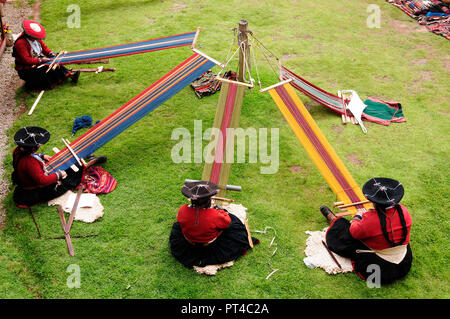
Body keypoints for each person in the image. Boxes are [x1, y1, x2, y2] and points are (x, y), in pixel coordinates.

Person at [320, 177, 413, 285]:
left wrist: (358, 216)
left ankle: (333, 219)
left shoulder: (371, 218)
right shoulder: (403, 210)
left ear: (374, 202)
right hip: (403, 263)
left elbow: (353, 231)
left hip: (380, 270)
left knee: (344, 231)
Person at [170, 181, 259, 268]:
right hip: (209, 245)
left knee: (179, 226)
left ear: (191, 200)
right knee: (234, 223)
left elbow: (181, 218)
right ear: (209, 201)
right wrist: (219, 210)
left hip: (189, 241)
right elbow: (226, 222)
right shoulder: (215, 215)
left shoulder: (182, 209)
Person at [11, 126, 105, 207]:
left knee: (69, 167)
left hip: (28, 181)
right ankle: (88, 164)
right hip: (36, 191)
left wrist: (42, 156)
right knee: (74, 174)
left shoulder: (17, 150)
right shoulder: (30, 162)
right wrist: (58, 175)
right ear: (32, 148)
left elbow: (32, 156)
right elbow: (42, 181)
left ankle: (86, 160)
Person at [13, 19, 80, 91]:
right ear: (29, 35)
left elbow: (44, 48)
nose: (37, 38)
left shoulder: (35, 38)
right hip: (26, 69)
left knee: (55, 62)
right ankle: (69, 76)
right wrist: (41, 60)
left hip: (36, 61)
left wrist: (50, 53)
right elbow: (26, 60)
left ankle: (70, 75)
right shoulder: (20, 43)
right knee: (46, 68)